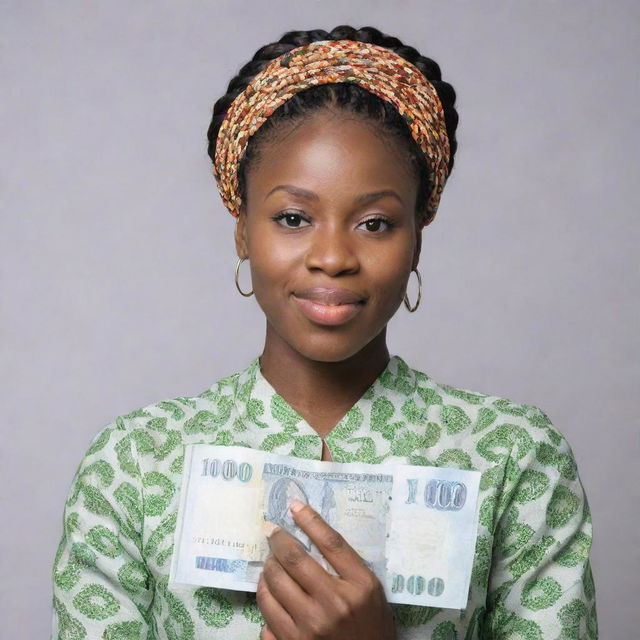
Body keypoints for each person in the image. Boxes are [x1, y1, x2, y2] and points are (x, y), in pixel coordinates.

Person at [50, 24, 598, 640]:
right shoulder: (133, 463)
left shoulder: (515, 457)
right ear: (242, 233)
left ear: (418, 236)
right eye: (293, 218)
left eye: (374, 223)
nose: (332, 256)